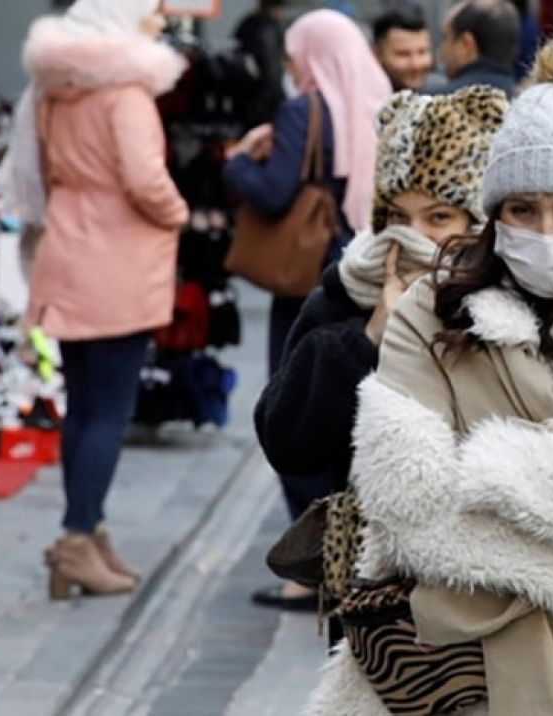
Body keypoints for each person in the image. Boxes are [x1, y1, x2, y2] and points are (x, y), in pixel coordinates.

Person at [304, 37, 553, 716]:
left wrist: (481, 468)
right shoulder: (428, 314)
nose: (545, 231)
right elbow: (406, 505)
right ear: (495, 215)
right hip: (445, 670)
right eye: (522, 210)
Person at [253, 85, 508, 612]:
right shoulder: (347, 294)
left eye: (438, 219)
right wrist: (367, 339)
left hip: (488, 583)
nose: (412, 238)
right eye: (397, 217)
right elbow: (286, 441)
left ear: (475, 224)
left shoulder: (510, 306)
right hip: (373, 590)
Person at [16, 0, 189, 597]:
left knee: (83, 403)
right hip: (117, 259)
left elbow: (37, 168)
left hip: (68, 250)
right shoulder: (127, 96)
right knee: (109, 411)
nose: (161, 22)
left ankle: (88, 533)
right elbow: (145, 181)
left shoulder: (55, 92)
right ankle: (76, 536)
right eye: (151, 11)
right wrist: (179, 212)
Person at [224, 9, 391, 609]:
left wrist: (240, 160)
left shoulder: (303, 111)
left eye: (298, 54)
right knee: (347, 412)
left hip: (306, 281)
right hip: (363, 268)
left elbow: (271, 192)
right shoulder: (376, 103)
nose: (292, 64)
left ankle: (309, 566)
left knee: (294, 405)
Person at [435, 0, 522, 97]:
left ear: (466, 44)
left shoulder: (435, 104)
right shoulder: (527, 105)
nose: (441, 52)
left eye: (445, 38)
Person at [233, 0, 288, 127]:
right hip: (263, 102)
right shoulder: (267, 30)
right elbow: (271, 71)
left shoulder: (248, 24)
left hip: (245, 98)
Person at [371, 2, 434, 92]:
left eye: (422, 52)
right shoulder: (361, 100)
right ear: (377, 54)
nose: (415, 64)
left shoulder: (443, 97)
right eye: (403, 54)